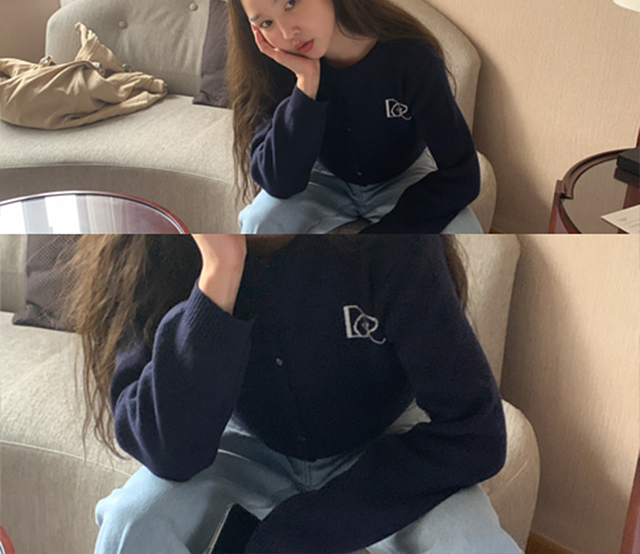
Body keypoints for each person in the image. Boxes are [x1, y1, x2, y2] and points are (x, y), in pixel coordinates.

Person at [67, 233, 522, 554]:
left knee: (475, 545)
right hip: (243, 440)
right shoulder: (156, 238)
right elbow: (168, 451)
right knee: (134, 522)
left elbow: (477, 433)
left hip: (385, 443)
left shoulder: (391, 233)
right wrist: (220, 273)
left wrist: (297, 532)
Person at [226, 0, 483, 235]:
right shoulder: (276, 64)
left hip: (402, 176)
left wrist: (378, 240)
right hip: (322, 178)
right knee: (258, 222)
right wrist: (305, 85)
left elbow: (463, 174)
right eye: (266, 23)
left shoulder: (411, 58)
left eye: (291, 2)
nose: (286, 32)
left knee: (466, 231)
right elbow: (280, 183)